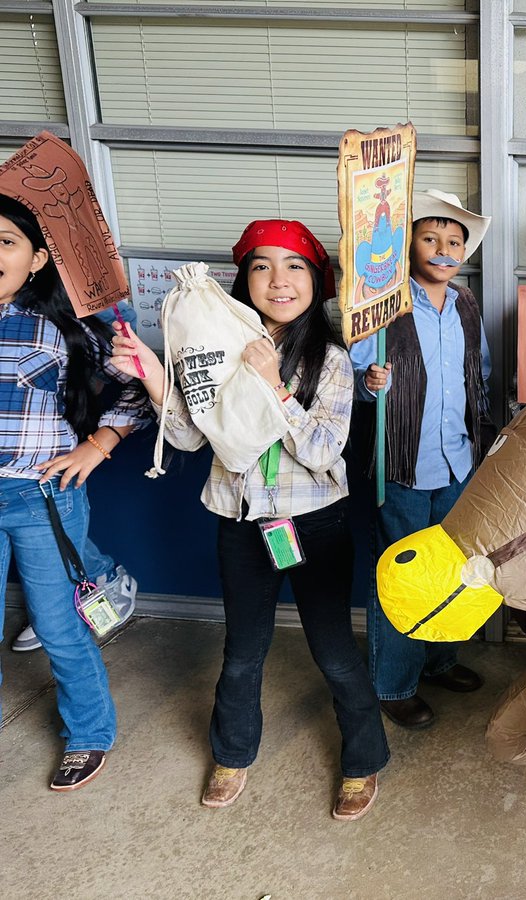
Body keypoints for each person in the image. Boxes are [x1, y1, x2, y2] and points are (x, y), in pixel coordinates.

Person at [112, 219, 389, 820]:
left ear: (317, 281)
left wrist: (273, 388)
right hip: (240, 522)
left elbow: (321, 452)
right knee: (242, 650)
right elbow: (186, 438)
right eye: (262, 266)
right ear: (243, 280)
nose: (278, 280)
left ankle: (363, 760)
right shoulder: (210, 350)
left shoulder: (333, 360)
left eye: (294, 267)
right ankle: (233, 753)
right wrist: (155, 379)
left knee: (336, 651)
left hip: (313, 523)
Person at [0, 194, 147, 791]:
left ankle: (88, 733)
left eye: (5, 241)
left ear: (36, 259)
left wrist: (98, 446)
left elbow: (135, 392)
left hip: (40, 498)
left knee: (59, 628)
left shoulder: (62, 331)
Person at [350, 190, 492, 730]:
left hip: (459, 462)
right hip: (403, 464)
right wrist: (372, 383)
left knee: (449, 568)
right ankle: (394, 684)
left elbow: (476, 376)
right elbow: (358, 379)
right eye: (430, 238)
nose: (442, 248)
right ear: (408, 245)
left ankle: (440, 660)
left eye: (454, 241)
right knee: (400, 573)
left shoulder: (466, 304)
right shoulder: (383, 302)